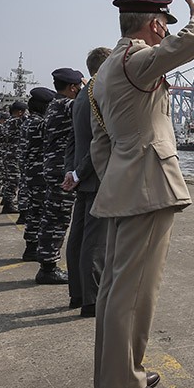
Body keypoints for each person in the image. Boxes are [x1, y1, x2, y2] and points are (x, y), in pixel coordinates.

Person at [89, 0, 194, 388]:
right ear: (156, 24)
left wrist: (116, 181)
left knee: (115, 287)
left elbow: (100, 143)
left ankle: (113, 373)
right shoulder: (137, 60)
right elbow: (193, 42)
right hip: (148, 184)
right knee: (135, 291)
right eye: (164, 25)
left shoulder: (105, 70)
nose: (165, 32)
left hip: (126, 184)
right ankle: (124, 385)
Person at [63, 47, 111, 318]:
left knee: (78, 238)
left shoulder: (81, 95)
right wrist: (79, 173)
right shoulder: (100, 94)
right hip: (96, 175)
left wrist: (70, 172)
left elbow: (73, 140)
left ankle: (78, 293)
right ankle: (92, 301)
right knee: (95, 242)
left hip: (83, 176)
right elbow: (100, 140)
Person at [35, 68, 82, 286]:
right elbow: (91, 106)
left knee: (52, 215)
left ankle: (47, 264)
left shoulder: (54, 105)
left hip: (53, 166)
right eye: (78, 86)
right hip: (61, 169)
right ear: (72, 87)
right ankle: (48, 269)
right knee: (57, 218)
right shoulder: (67, 105)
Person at [19, 87, 56, 263]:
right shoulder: (40, 124)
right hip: (40, 173)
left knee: (34, 211)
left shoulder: (27, 122)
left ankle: (31, 247)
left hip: (31, 172)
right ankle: (35, 249)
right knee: (42, 213)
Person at [0, 101, 27, 214]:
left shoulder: (7, 122)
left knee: (8, 179)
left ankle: (6, 200)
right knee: (14, 180)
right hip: (14, 155)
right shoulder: (17, 121)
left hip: (8, 154)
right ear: (20, 112)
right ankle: (8, 204)